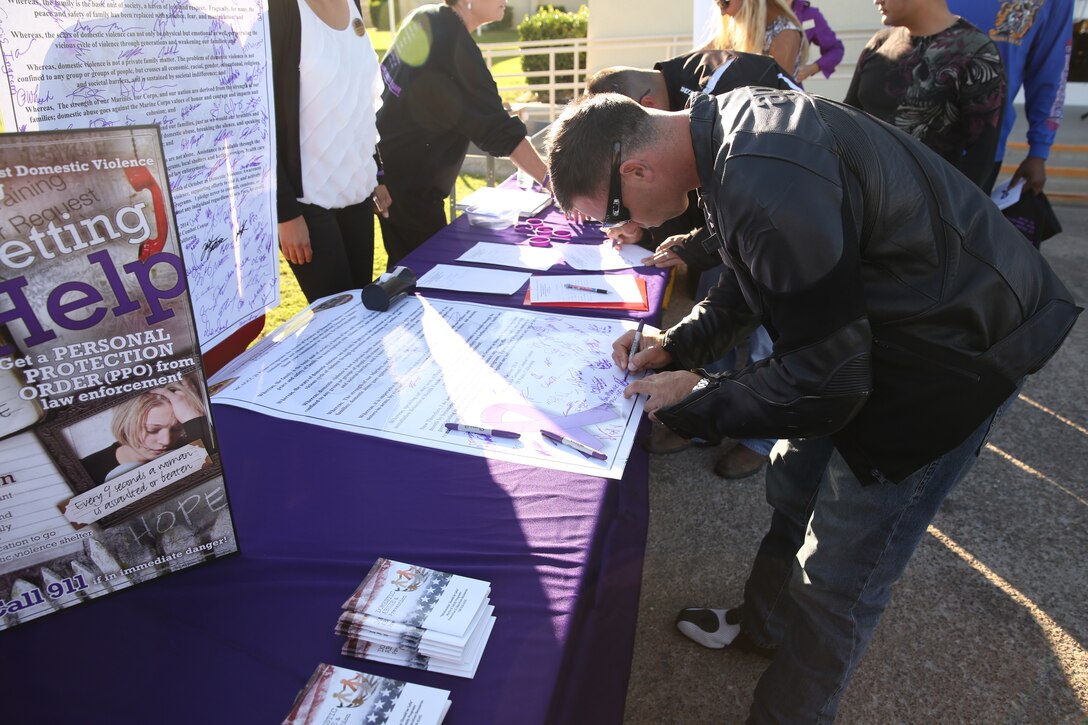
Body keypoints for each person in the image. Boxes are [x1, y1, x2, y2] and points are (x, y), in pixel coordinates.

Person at [544, 90, 1079, 722]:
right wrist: (676, 346)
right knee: (794, 486)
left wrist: (699, 393)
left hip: (951, 356)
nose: (619, 227)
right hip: (878, 328)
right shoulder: (719, 135)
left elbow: (831, 381)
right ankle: (764, 627)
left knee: (840, 580)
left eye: (612, 212)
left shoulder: (758, 172)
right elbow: (758, 281)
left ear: (634, 171)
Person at [585, 53, 797, 477]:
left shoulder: (747, 147)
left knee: (768, 344)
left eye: (622, 207)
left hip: (925, 354)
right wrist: (676, 346)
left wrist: (710, 392)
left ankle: (758, 439)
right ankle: (708, 422)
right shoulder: (710, 139)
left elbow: (824, 364)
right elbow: (742, 279)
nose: (634, 224)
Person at [376, 0, 549, 268]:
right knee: (425, 276)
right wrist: (553, 183)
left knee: (405, 270)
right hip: (411, 189)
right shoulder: (452, 42)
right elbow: (501, 133)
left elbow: (433, 96)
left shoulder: (425, 16)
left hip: (390, 176)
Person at [271, 0, 392, 304]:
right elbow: (261, 118)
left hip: (357, 194)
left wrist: (376, 172)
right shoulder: (281, 8)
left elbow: (358, 100)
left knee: (362, 310)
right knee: (336, 320)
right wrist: (285, 214)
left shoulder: (353, 4)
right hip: (307, 203)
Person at [845, 0, 1006, 189]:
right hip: (863, 199)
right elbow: (847, 121)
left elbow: (981, 157)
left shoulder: (976, 52)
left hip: (929, 206)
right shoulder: (879, 44)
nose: (876, 0)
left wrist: (949, 213)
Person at [949, 0, 1073, 194]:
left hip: (980, 150)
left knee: (959, 223)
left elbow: (1051, 69)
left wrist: (1039, 151)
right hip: (907, 138)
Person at [82, 380, 211, 485]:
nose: (166, 441)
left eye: (176, 429)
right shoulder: (86, 471)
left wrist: (193, 418)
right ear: (125, 423)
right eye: (152, 430)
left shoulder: (196, 446)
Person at [706, 0, 808, 78]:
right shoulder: (737, 28)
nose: (722, 13)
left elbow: (777, 94)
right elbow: (698, 56)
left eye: (724, 2)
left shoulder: (786, 34)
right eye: (718, 3)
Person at [791, 0, 844, 82]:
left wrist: (812, 68)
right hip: (765, 84)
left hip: (792, 87)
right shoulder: (765, 9)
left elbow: (836, 49)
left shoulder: (809, 14)